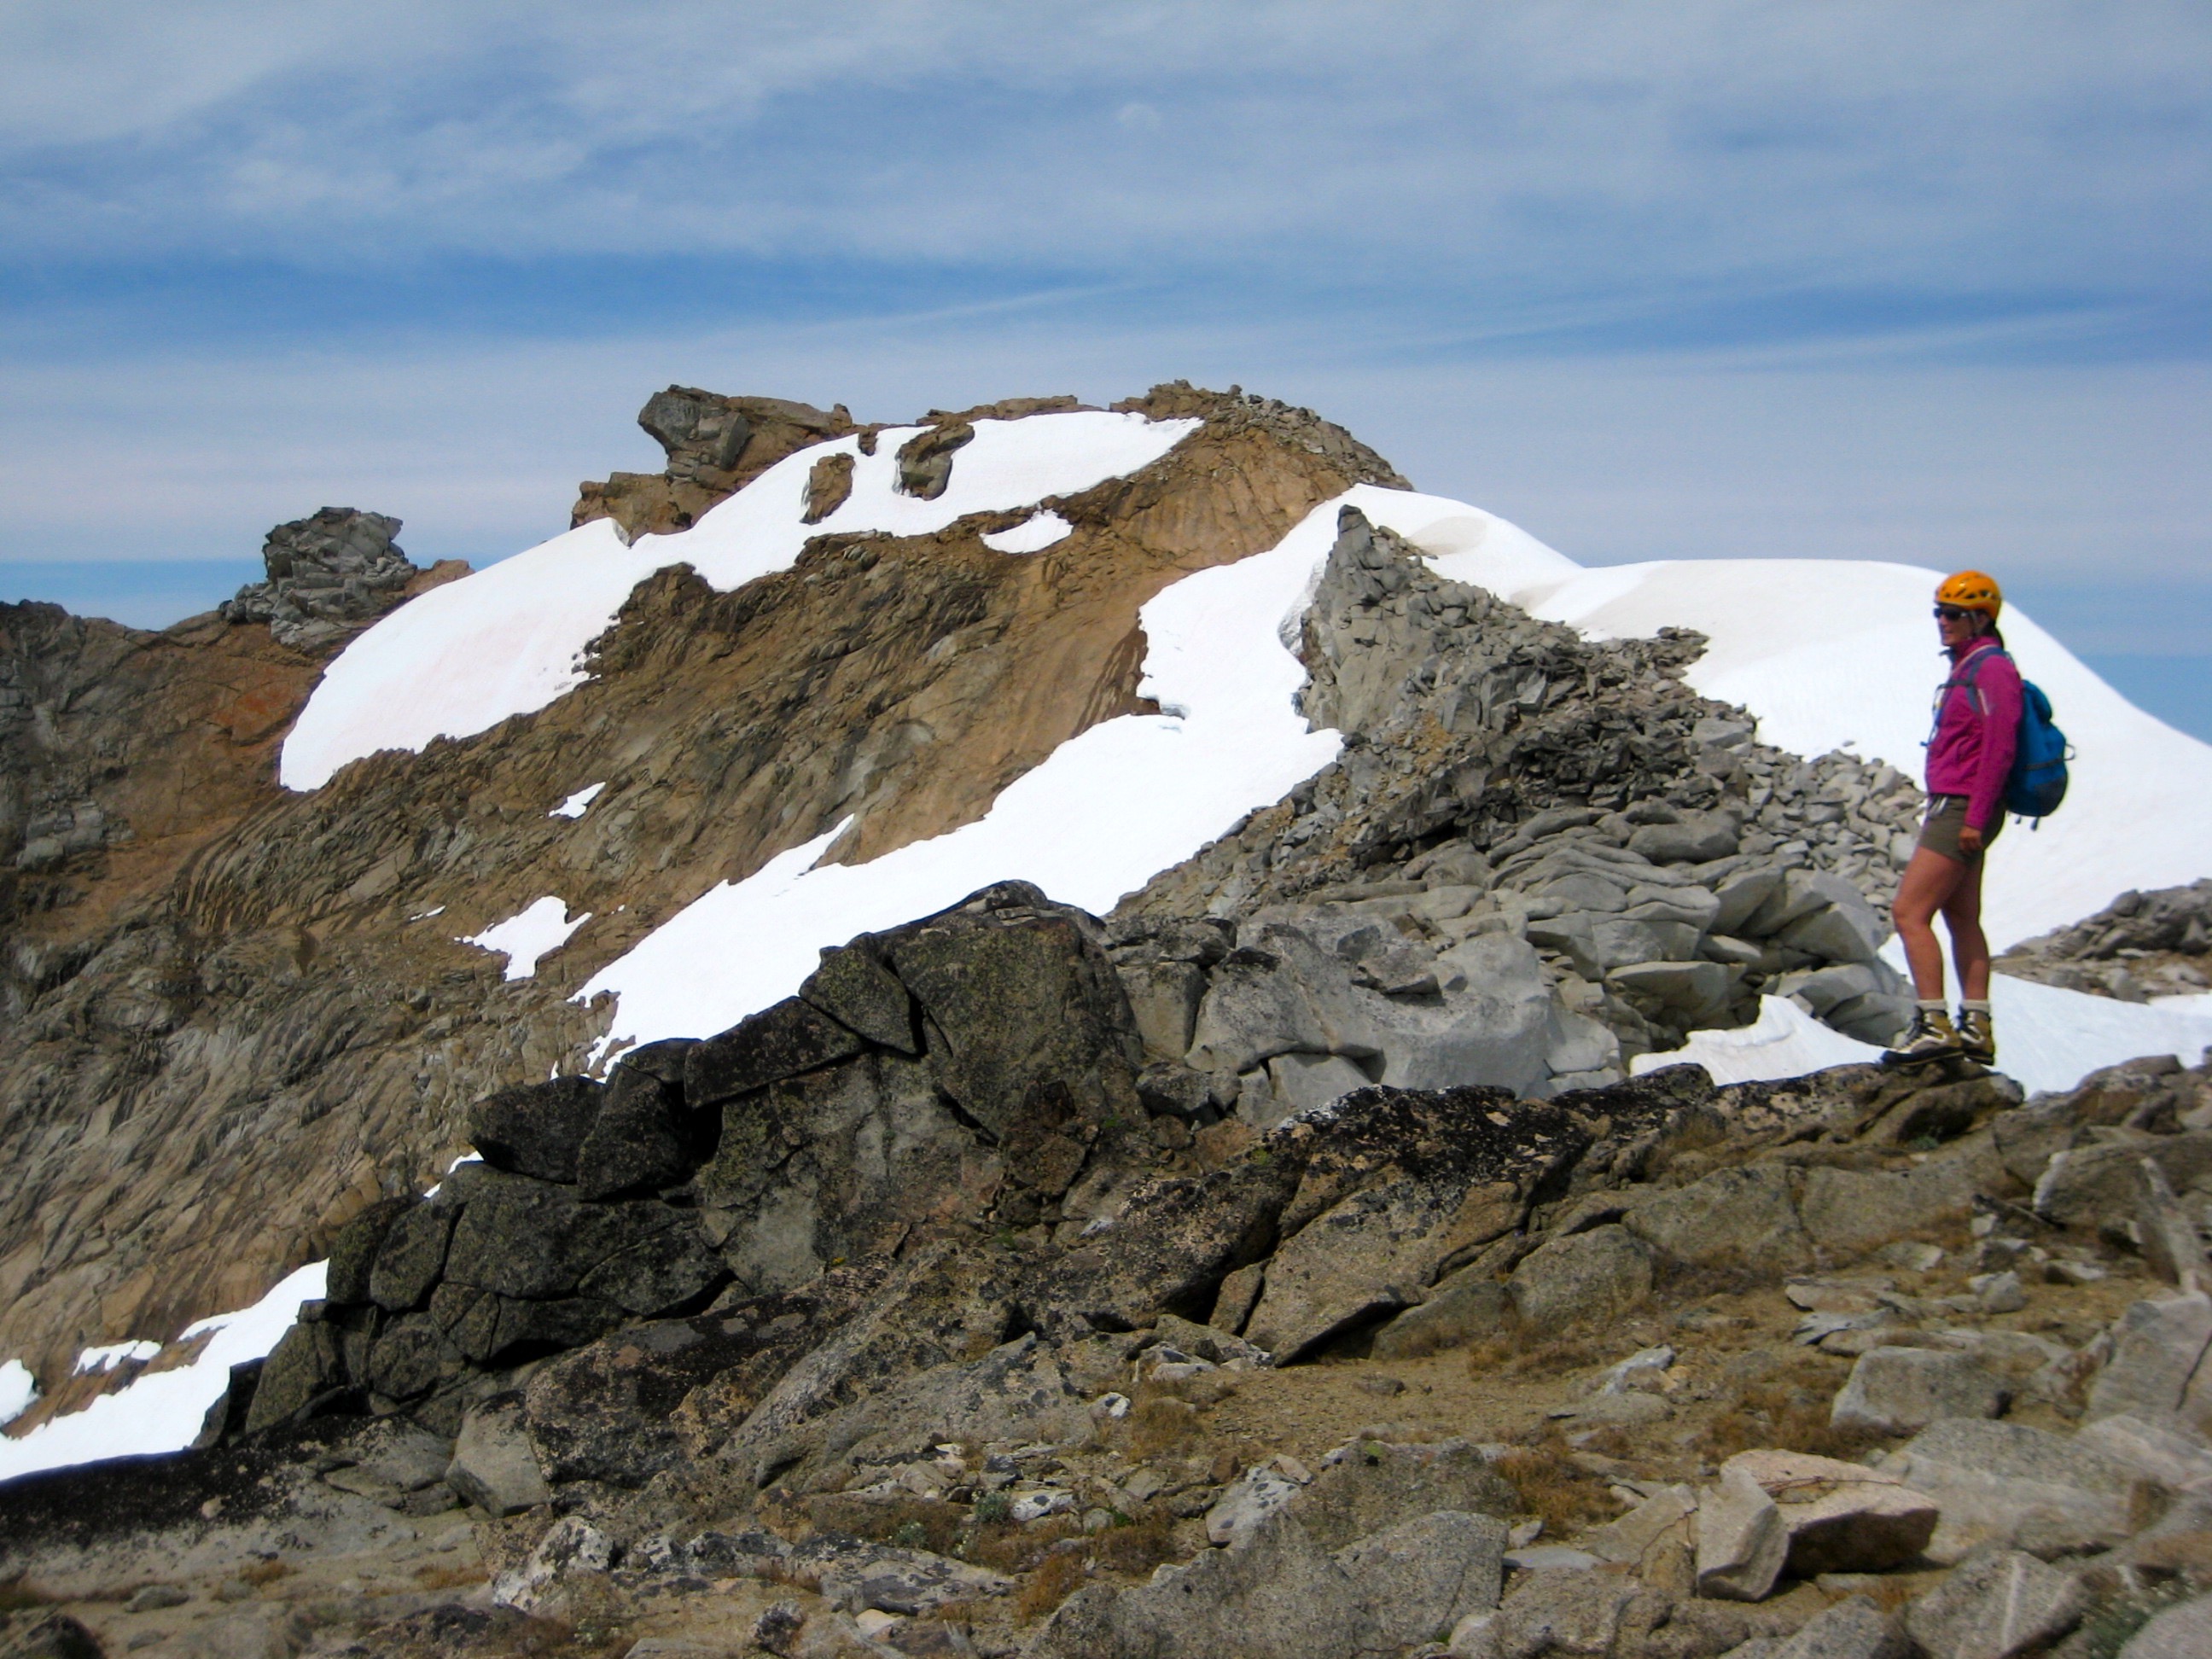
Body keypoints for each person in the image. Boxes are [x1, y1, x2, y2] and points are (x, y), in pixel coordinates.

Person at [1885, 571, 2021, 1066]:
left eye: (1952, 614)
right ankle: (1977, 1027)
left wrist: (1974, 819)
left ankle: (1934, 1024)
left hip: (1962, 807)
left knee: (1908, 913)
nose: (1942, 622)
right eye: (1939, 612)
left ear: (1980, 619)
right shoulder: (1971, 666)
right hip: (1960, 807)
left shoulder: (1991, 670)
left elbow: (1999, 748)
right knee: (1961, 916)